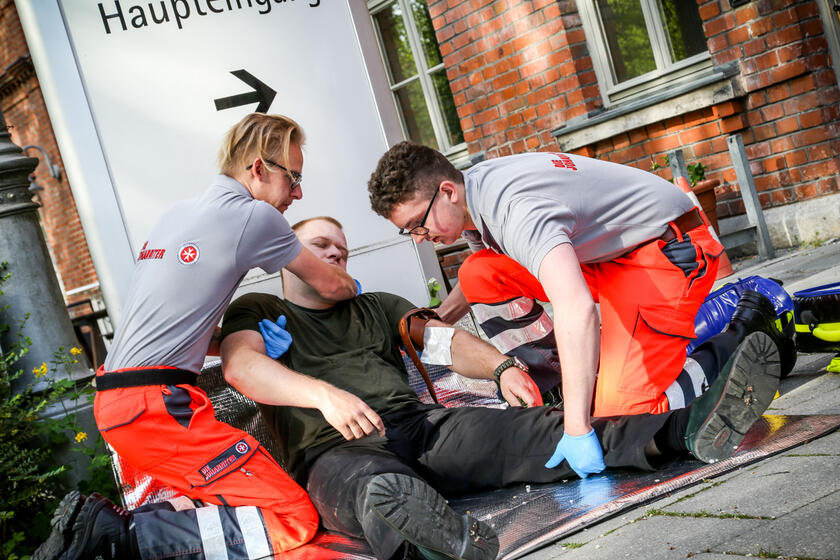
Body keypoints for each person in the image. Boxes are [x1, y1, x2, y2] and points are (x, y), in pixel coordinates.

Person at [219, 217, 782, 560]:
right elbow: (241, 367)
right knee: (375, 490)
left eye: (341, 249)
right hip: (334, 451)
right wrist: (322, 395)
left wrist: (500, 368)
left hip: (419, 427)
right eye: (320, 246)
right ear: (287, 257)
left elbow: (443, 342)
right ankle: (437, 542)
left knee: (554, 433)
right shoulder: (259, 309)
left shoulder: (377, 306)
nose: (335, 255)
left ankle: (689, 428)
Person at [35, 114, 358, 560]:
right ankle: (117, 536)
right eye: (294, 177)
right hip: (155, 407)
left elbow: (178, 325)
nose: (298, 193)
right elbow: (333, 286)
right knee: (292, 517)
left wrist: (233, 339)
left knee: (228, 505)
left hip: (119, 402)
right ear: (258, 169)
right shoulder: (255, 216)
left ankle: (106, 529)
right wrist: (357, 289)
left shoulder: (178, 214)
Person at [367, 142, 738, 479]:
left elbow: (575, 306)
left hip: (666, 251)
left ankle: (735, 342)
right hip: (607, 255)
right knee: (478, 273)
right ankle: (561, 386)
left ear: (447, 191)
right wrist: (438, 319)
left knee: (624, 419)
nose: (419, 238)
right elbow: (490, 276)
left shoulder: (515, 210)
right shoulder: (471, 195)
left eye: (417, 225)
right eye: (407, 231)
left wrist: (577, 428)